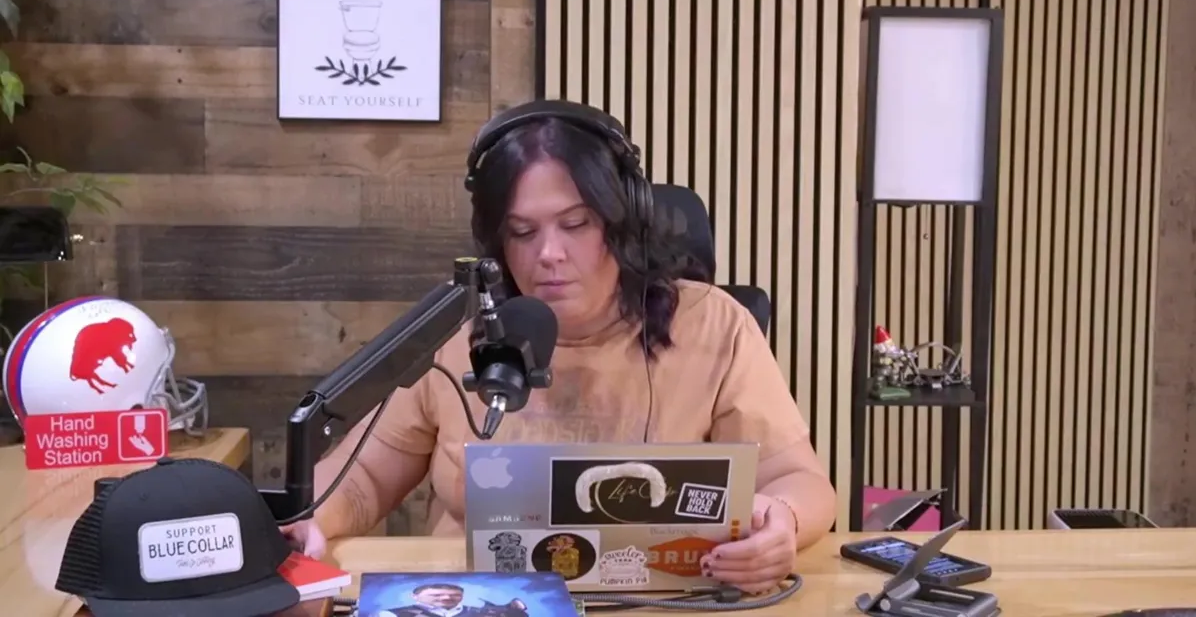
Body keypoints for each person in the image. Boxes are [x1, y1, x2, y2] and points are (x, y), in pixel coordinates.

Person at [282, 102, 838, 594]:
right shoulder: (461, 332)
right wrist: (311, 521)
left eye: (575, 223)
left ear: (624, 221)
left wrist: (782, 521)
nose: (548, 253)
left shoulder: (714, 326)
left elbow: (801, 480)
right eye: (523, 233)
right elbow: (362, 478)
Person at [373, 582, 524, 617]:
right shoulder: (392, 615)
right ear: (415, 596)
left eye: (454, 595)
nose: (446, 598)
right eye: (436, 595)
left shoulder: (483, 613)